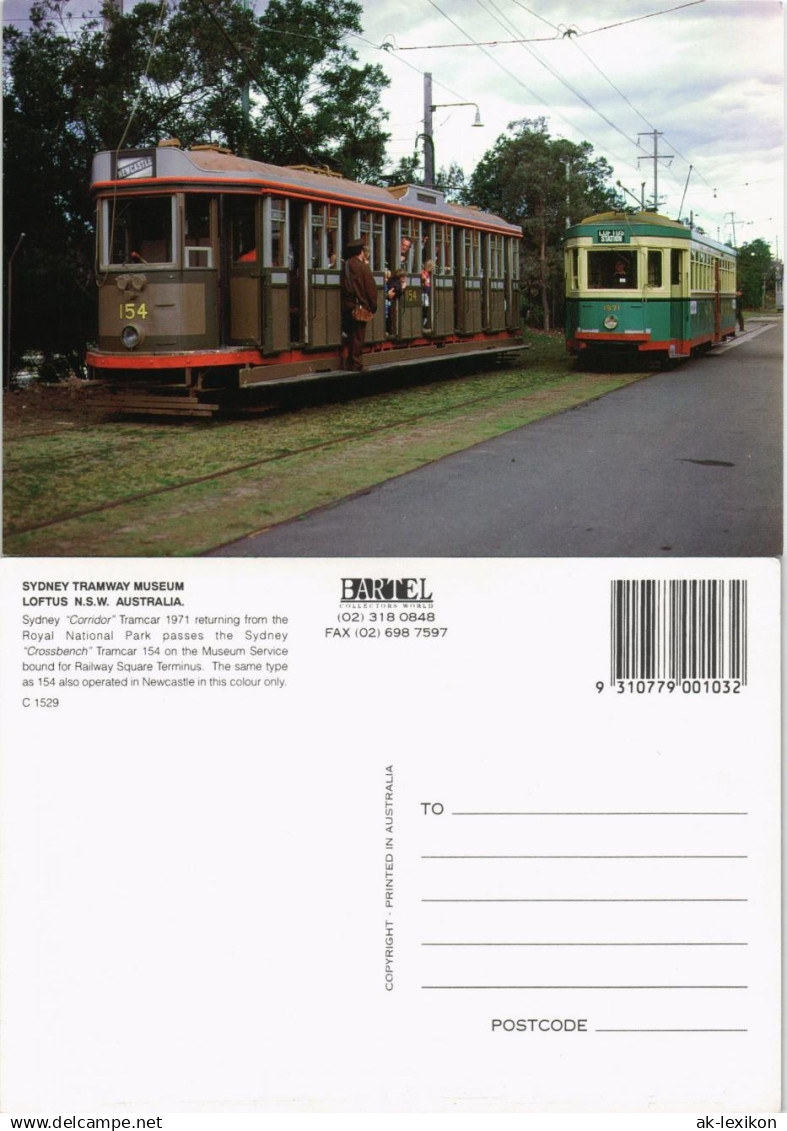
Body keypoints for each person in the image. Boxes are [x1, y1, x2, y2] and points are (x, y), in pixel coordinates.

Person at [341, 241, 378, 371]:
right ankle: (356, 364)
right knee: (358, 337)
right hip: (360, 307)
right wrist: (373, 307)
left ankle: (348, 362)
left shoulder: (346, 265)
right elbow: (371, 289)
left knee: (351, 335)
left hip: (347, 305)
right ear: (361, 252)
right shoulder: (363, 267)